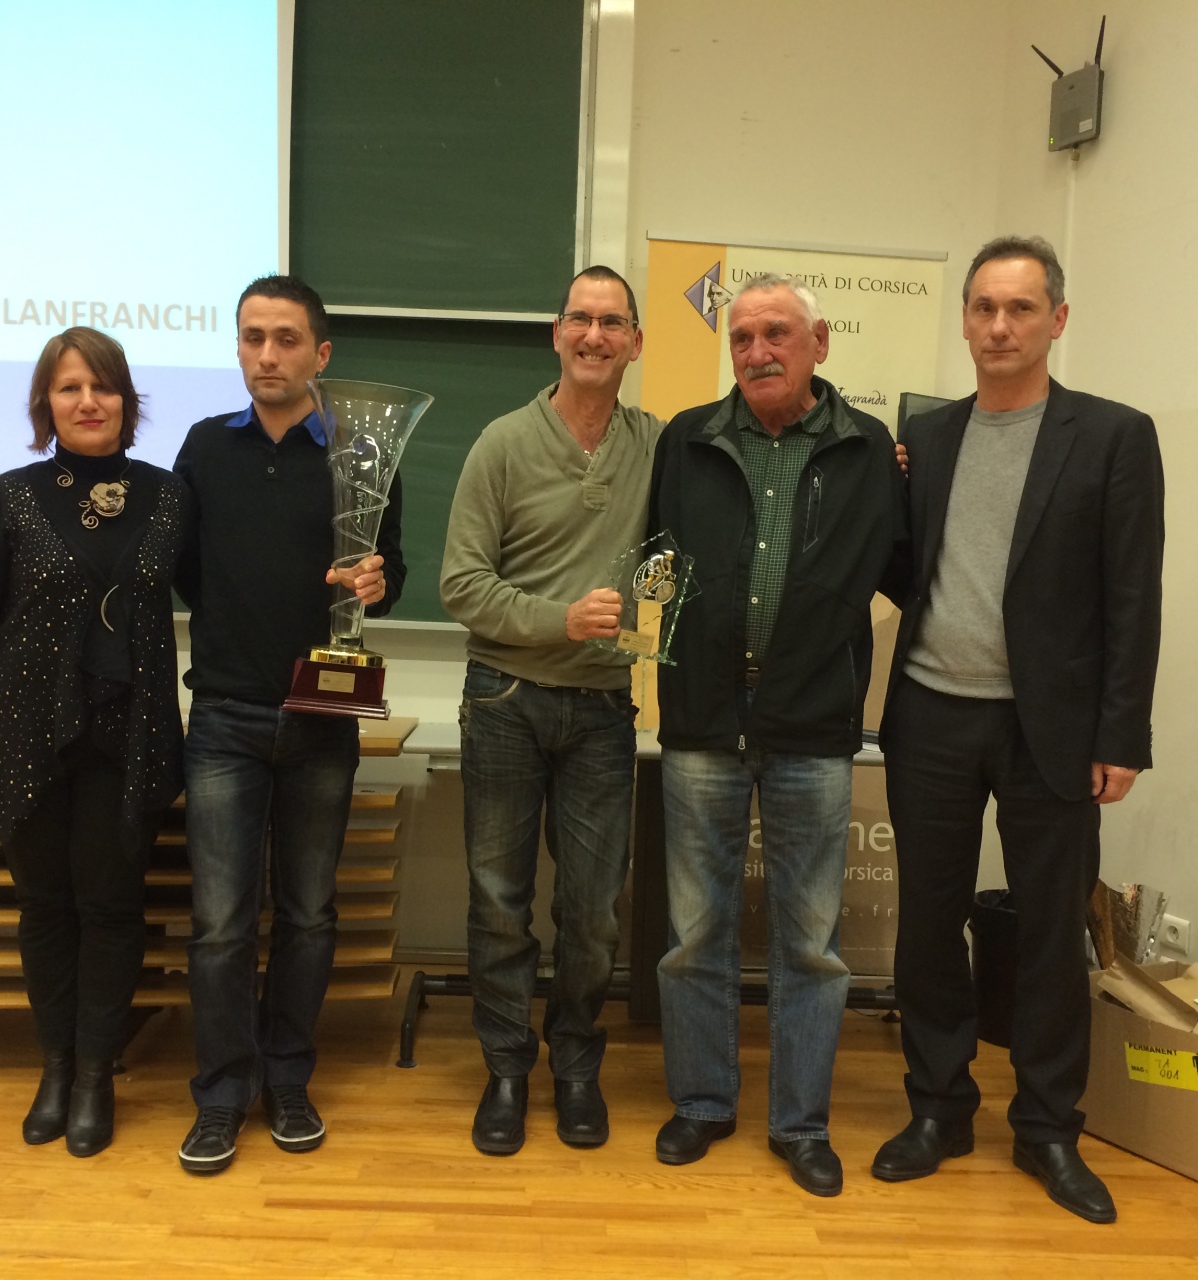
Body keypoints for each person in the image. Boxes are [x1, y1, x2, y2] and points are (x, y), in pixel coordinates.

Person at [871, 236, 1164, 1225]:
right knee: (927, 922)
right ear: (963, 319)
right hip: (929, 714)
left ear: (1056, 319)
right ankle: (937, 1108)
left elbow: (1132, 597)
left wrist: (1121, 734)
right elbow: (901, 565)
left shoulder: (1112, 436)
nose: (999, 326)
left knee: (1046, 930)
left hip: (1056, 727)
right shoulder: (926, 438)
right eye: (984, 308)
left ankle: (1046, 1128)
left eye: (1020, 308)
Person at [649, 274, 905, 1195]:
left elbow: (903, 567)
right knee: (695, 934)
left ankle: (801, 1125)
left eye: (777, 334)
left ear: (819, 344)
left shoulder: (869, 449)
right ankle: (702, 1102)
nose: (757, 351)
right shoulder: (687, 438)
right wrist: (651, 658)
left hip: (814, 728)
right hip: (702, 724)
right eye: (742, 336)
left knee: (810, 945)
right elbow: (651, 564)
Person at [172, 274, 404, 1175]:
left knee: (308, 915)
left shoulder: (362, 453)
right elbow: (184, 571)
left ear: (321, 354)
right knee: (221, 924)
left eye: (285, 339)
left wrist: (377, 583)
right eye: (252, 338)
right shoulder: (204, 446)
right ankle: (222, 1094)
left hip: (322, 715)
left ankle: (288, 1077)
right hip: (224, 716)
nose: (266, 355)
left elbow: (392, 572)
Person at [0, 327, 190, 1158]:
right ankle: (55, 1067)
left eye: (103, 386)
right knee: (46, 907)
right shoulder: (10, 498)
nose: (89, 402)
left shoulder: (168, 496)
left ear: (126, 400)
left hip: (132, 734)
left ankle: (94, 1076)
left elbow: (220, 590)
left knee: (112, 907)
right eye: (70, 388)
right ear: (46, 403)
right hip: (23, 735)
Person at [440, 265, 661, 1155]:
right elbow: (461, 584)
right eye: (580, 319)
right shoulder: (500, 443)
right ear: (556, 334)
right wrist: (557, 620)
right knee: (500, 902)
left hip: (603, 710)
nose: (594, 335)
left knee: (593, 910)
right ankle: (505, 1069)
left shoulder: (659, 446)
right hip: (504, 701)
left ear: (636, 341)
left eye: (612, 322)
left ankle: (575, 1065)